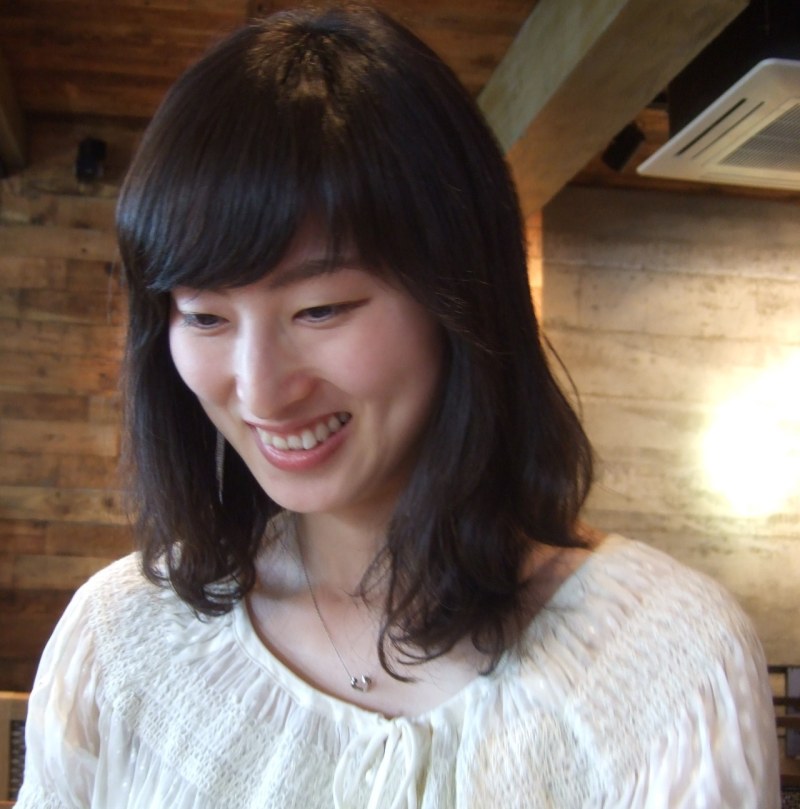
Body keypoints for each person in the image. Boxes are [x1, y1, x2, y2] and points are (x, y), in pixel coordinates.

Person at [17, 4, 780, 807]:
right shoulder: (123, 642)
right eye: (205, 317)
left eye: (321, 309)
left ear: (460, 296)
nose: (261, 388)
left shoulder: (663, 661)